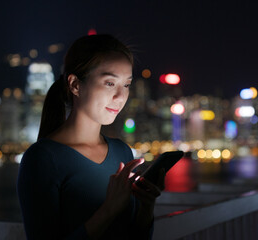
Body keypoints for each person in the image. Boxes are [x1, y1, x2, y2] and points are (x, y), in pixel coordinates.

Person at [17, 34, 164, 239]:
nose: (120, 97)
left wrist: (146, 206)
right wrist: (109, 209)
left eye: (127, 85)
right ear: (75, 85)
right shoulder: (43, 158)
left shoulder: (122, 151)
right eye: (110, 83)